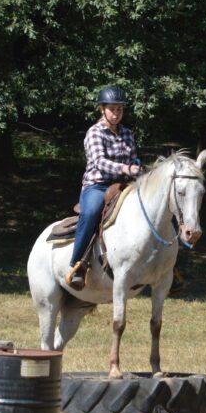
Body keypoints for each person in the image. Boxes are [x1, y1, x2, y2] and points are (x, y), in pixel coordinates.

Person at [65, 85, 141, 290]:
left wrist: (136, 167)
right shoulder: (94, 132)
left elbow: (133, 158)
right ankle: (77, 264)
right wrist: (125, 168)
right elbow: (100, 162)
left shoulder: (127, 133)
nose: (116, 114)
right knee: (90, 213)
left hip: (124, 185)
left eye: (120, 109)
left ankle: (167, 265)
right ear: (102, 109)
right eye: (112, 109)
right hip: (98, 185)